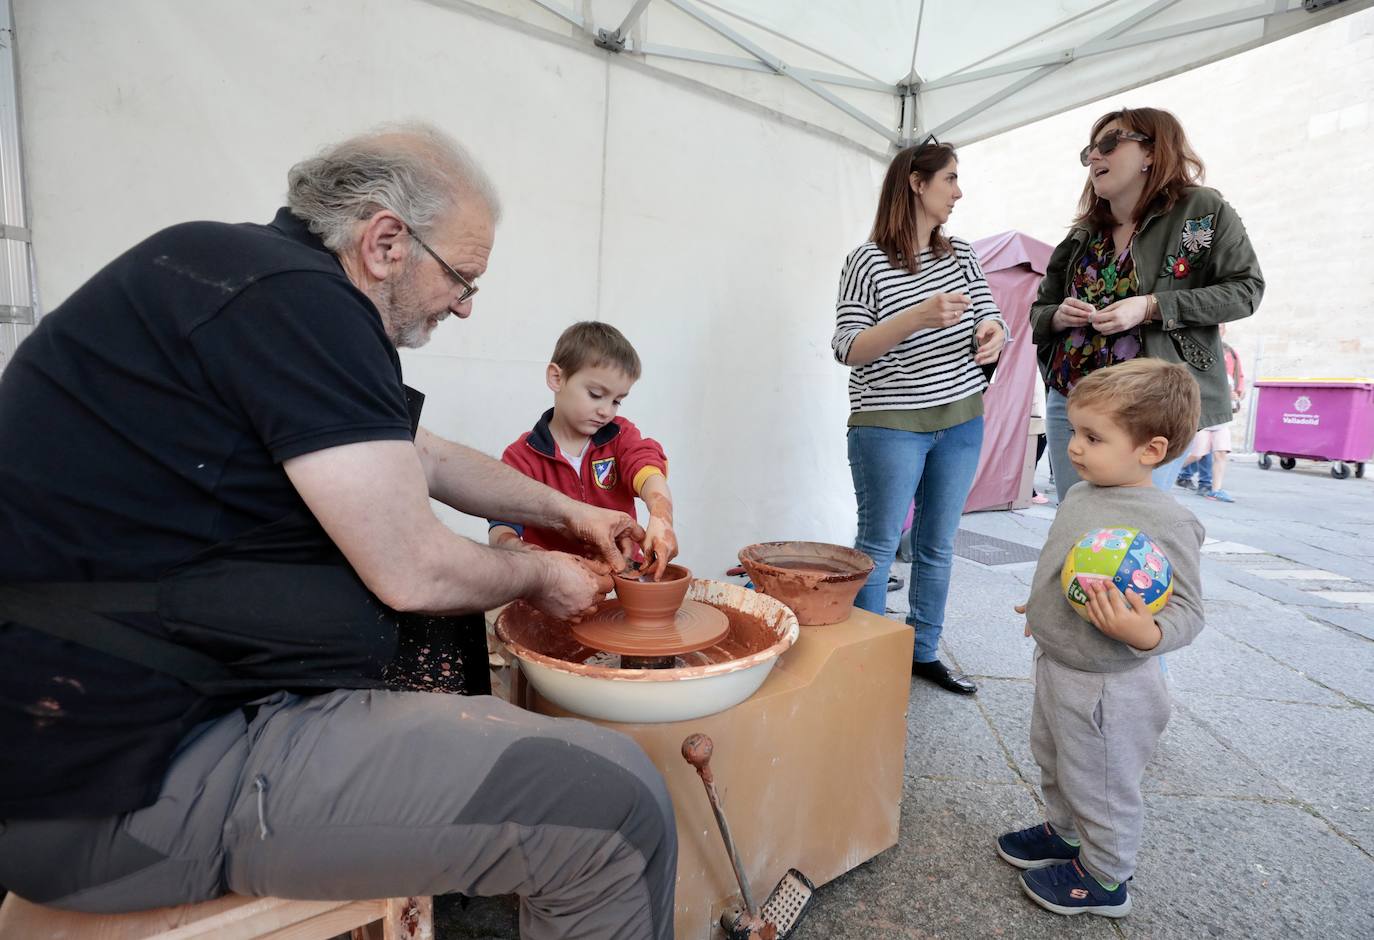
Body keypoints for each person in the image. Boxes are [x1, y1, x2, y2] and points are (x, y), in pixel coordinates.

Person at [0, 124, 676, 939]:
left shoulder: (246, 278)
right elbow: (413, 572)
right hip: (116, 782)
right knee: (618, 808)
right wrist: (541, 574)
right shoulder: (304, 304)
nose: (464, 304)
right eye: (462, 277)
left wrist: (572, 512)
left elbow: (419, 455)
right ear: (386, 240)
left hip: (104, 738)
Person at [1000, 359, 1205, 918]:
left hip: (1112, 686)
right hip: (1058, 660)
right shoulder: (1084, 495)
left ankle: (1106, 876)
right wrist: (1041, 608)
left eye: (1094, 437)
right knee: (1054, 758)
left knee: (1102, 782)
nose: (1074, 446)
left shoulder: (1169, 520)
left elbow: (1189, 609)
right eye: (1074, 430)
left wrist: (1146, 631)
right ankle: (1065, 836)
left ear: (1151, 450)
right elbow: (1065, 567)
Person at [832, 139, 1008, 695]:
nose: (958, 191)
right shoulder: (866, 260)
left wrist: (992, 334)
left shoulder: (963, 256)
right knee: (878, 544)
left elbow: (991, 314)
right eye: (949, 179)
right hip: (888, 421)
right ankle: (866, 657)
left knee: (937, 543)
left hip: (960, 416)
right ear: (915, 182)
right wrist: (917, 315)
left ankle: (924, 651)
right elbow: (849, 347)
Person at [1030, 107, 1264, 504]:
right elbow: (1039, 309)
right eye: (1089, 150)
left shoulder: (1201, 211)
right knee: (1077, 520)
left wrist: (1152, 306)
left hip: (1151, 403)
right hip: (1073, 399)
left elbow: (1245, 290)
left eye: (1109, 144)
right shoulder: (1082, 233)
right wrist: (1056, 316)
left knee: (1128, 531)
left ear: (1152, 152)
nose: (1095, 157)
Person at [489, 321, 678, 580]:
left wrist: (661, 514)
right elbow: (501, 534)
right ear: (557, 378)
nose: (606, 411)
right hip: (553, 586)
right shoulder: (522, 457)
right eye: (595, 394)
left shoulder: (620, 437)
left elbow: (646, 465)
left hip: (620, 580)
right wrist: (546, 564)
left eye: (616, 401)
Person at [1177, 323, 1245, 501]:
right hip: (1205, 410)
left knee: (1220, 452)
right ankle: (1171, 472)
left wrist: (1237, 392)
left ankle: (1214, 489)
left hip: (1222, 413)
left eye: (1221, 327)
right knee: (1198, 453)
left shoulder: (1229, 352)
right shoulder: (1198, 348)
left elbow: (1238, 375)